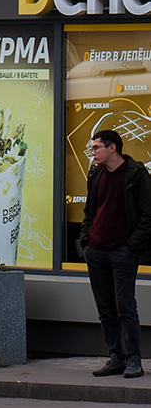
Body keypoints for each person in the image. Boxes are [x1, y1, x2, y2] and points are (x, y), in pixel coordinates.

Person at [80, 129, 151, 379]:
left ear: (112, 148)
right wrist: (86, 240)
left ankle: (134, 359)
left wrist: (132, 246)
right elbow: (90, 209)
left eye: (96, 147)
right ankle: (116, 357)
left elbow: (147, 216)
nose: (93, 152)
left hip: (122, 251)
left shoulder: (137, 175)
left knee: (125, 307)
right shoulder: (96, 174)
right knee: (105, 308)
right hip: (96, 250)